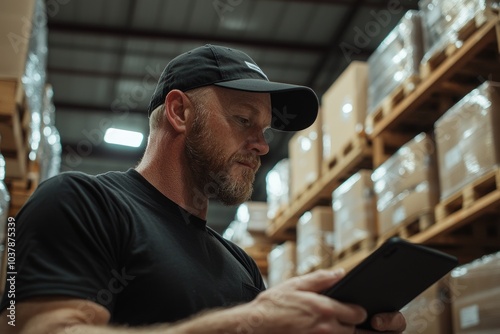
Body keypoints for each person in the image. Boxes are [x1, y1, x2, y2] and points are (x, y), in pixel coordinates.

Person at [0, 44, 406, 334]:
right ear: (179, 112)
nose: (262, 145)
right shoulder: (79, 203)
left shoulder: (239, 265)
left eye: (263, 129)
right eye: (244, 120)